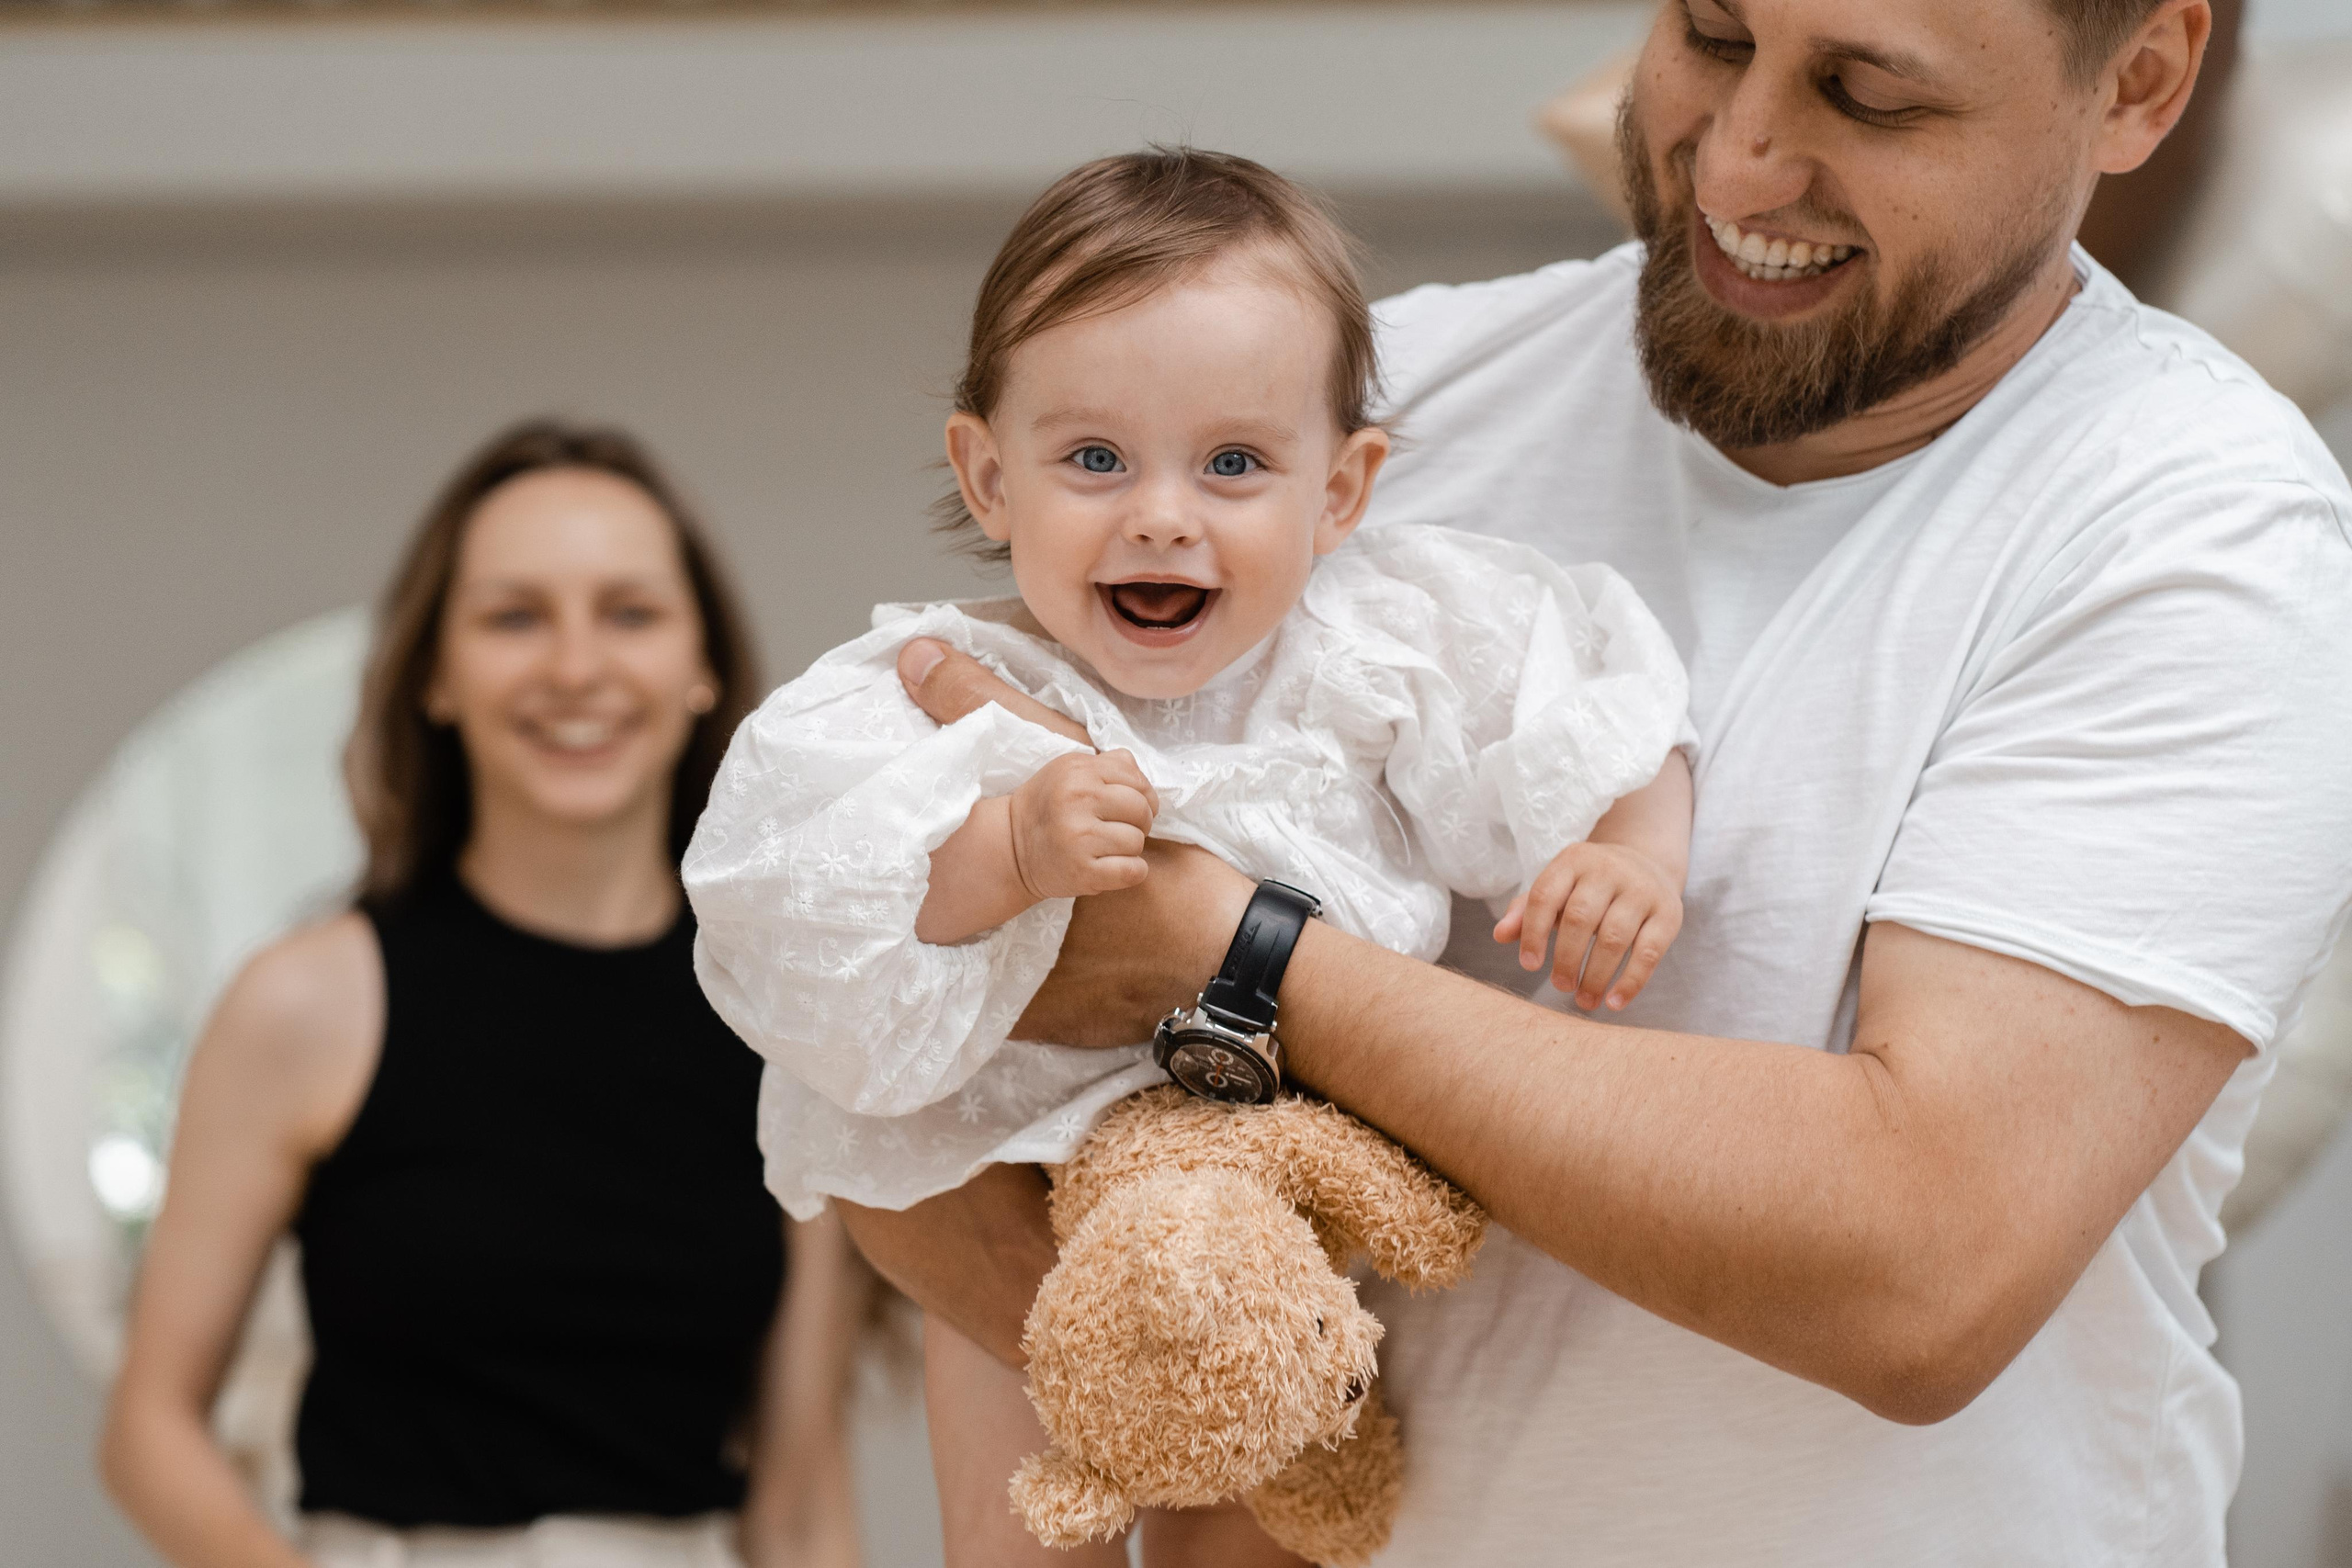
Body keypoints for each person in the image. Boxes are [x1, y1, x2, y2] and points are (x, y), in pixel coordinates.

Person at [842, 1, 2352, 1563]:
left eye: (1868, 94)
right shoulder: (1361, 415)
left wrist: (1238, 956)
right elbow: (890, 1067)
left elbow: (1921, 1266)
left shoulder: (2197, 538)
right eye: (1709, 34)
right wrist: (1222, 1383)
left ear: (2143, 82)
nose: (1745, 158)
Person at [683, 150, 1693, 1565]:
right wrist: (1010, 846)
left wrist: (1632, 851)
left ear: (1340, 491)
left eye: (1234, 463)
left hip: (1262, 1192)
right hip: (1013, 1162)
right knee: (1025, 1511)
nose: (1163, 512)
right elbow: (808, 912)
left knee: (1259, 1501)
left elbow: (1603, 719)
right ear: (990, 475)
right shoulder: (933, 682)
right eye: (1095, 459)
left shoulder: (1382, 644)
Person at [99, 421, 866, 1568]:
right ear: (436, 676)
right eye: (514, 617)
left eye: (630, 613)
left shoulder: (788, 1021)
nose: (574, 667)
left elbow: (799, 1506)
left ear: (700, 667)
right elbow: (148, 1433)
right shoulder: (310, 1003)